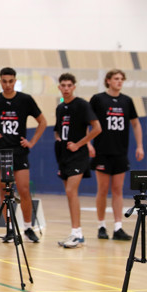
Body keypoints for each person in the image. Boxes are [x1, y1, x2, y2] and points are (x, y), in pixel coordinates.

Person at [0, 67, 47, 243]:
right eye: (4, 81)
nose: (7, 84)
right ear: (0, 81)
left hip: (19, 151)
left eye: (10, 81)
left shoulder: (25, 100)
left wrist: (31, 142)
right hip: (1, 152)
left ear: (15, 81)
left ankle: (28, 227)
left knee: (24, 190)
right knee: (5, 192)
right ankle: (9, 229)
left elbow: (43, 122)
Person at [89, 69, 144, 240]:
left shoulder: (127, 101)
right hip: (102, 151)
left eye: (121, 79)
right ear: (108, 80)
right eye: (116, 79)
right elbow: (87, 121)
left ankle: (118, 227)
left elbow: (135, 124)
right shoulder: (98, 99)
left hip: (120, 151)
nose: (119, 81)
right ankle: (101, 226)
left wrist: (140, 146)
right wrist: (88, 143)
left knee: (118, 189)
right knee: (103, 189)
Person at [54, 73, 102, 248]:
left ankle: (78, 234)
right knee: (69, 193)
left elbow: (97, 128)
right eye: (63, 85)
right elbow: (57, 130)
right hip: (64, 156)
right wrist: (59, 139)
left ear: (74, 87)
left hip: (78, 155)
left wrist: (82, 144)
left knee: (70, 191)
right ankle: (75, 232)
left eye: (69, 85)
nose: (66, 88)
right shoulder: (60, 108)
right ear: (59, 87)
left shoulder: (82, 104)